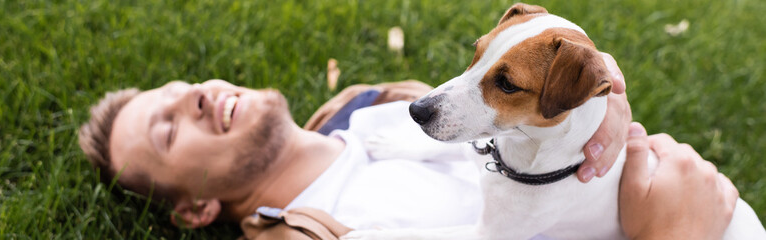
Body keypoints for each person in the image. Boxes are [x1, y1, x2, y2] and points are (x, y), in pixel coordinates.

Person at [78, 54, 737, 238]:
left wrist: (592, 96)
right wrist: (678, 234)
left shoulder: (373, 111)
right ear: (195, 210)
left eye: (185, 86)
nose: (195, 97)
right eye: (169, 129)